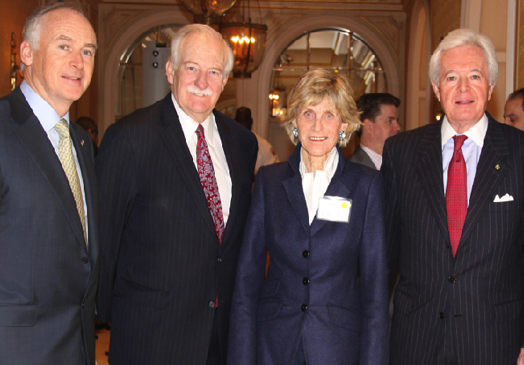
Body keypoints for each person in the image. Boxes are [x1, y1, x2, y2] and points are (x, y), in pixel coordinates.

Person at [383, 28, 524, 365]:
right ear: (437, 88)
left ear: (490, 86)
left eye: (474, 76)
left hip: (494, 341)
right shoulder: (401, 153)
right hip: (414, 339)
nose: (463, 88)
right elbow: (383, 255)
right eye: (451, 77)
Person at [96, 23, 258, 365]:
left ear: (226, 81)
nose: (202, 82)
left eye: (213, 71)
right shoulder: (130, 138)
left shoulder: (243, 143)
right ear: (170, 70)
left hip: (221, 341)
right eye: (191, 68)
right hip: (151, 340)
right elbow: (103, 240)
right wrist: (98, 317)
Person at [228, 69, 389, 365]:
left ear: (344, 124)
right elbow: (246, 282)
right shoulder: (269, 181)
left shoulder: (365, 185)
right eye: (308, 113)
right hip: (274, 344)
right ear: (294, 121)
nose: (317, 125)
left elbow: (375, 292)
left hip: (338, 347)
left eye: (329, 115)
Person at [0, 2, 99, 364]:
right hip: (13, 351)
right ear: (27, 53)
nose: (78, 62)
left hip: (77, 347)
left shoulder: (82, 143)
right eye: (64, 46)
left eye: (87, 51)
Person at [350, 93, 402, 170]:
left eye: (397, 121)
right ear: (369, 126)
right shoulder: (352, 169)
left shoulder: (401, 164)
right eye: (389, 121)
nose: (398, 127)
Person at [234, 106, 279, 174]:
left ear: (251, 122)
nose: (242, 126)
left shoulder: (264, 146)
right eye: (239, 122)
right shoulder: (228, 144)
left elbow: (274, 171)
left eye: (245, 122)